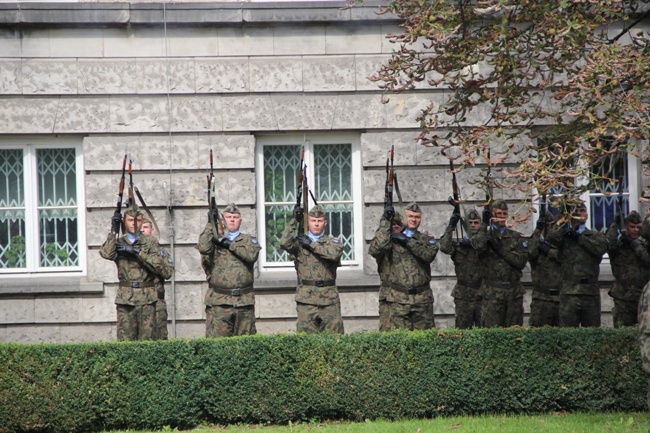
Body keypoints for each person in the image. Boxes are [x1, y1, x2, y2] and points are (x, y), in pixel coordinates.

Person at [99, 204, 173, 341]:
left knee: (148, 343)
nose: (134, 224)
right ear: (124, 222)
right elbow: (106, 253)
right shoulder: (119, 242)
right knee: (125, 343)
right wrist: (113, 231)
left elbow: (164, 269)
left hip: (147, 299)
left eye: (138, 220)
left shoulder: (150, 242)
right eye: (130, 220)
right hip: (126, 299)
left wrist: (137, 253)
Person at [369, 202, 438, 331]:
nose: (413, 220)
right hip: (398, 299)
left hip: (422, 299)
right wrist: (385, 222)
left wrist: (406, 240)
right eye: (410, 216)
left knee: (425, 341)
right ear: (403, 219)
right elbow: (375, 250)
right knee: (399, 340)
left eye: (417, 217)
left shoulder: (425, 239)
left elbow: (428, 255)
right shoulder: (390, 239)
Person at [197, 203, 261, 338]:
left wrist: (229, 244)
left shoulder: (249, 240)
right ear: (222, 220)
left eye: (235, 217)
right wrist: (210, 224)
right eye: (228, 217)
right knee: (218, 345)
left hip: (244, 301)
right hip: (220, 301)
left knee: (246, 345)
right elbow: (203, 248)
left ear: (240, 221)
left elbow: (251, 256)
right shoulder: (214, 241)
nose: (232, 219)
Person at [279, 204, 344, 334]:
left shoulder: (333, 242)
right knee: (306, 341)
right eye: (313, 221)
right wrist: (295, 221)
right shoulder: (299, 243)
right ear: (308, 222)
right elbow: (284, 243)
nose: (316, 224)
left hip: (329, 298)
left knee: (335, 339)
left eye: (319, 221)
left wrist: (311, 244)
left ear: (325, 223)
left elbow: (333, 254)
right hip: (306, 299)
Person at [547, 202, 607, 327]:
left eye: (582, 211)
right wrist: (563, 221)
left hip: (590, 291)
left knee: (592, 333)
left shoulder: (596, 236)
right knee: (568, 333)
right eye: (576, 211)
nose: (579, 213)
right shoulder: (565, 236)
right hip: (570, 290)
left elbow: (599, 250)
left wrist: (579, 237)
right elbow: (552, 237)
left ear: (587, 214)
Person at [471, 199, 528, 328]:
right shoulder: (485, 235)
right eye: (498, 214)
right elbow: (478, 245)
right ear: (492, 215)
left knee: (514, 334)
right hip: (492, 293)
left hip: (513, 293)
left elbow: (521, 262)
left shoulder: (516, 237)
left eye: (504, 213)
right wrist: (484, 224)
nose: (502, 217)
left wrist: (500, 249)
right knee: (492, 335)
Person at [439, 209, 482, 329]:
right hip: (463, 294)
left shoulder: (485, 244)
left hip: (482, 294)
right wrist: (451, 226)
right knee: (462, 332)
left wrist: (475, 242)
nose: (473, 225)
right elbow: (444, 247)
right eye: (470, 222)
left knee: (484, 331)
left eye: (476, 222)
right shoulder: (459, 245)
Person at [606, 211, 650, 327]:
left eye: (638, 227)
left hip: (643, 298)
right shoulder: (619, 245)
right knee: (622, 335)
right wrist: (615, 224)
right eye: (632, 227)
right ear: (626, 226)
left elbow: (647, 259)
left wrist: (634, 244)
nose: (635, 230)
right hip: (623, 298)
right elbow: (609, 244)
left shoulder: (644, 245)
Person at [140, 216, 174, 339]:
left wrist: (151, 259)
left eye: (146, 227)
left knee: (159, 338)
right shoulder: (132, 251)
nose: (143, 230)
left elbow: (168, 273)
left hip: (156, 302)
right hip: (137, 301)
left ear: (152, 230)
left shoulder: (161, 252)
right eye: (140, 227)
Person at [370, 213, 404, 331]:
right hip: (388, 295)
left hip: (405, 296)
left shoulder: (407, 240)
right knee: (387, 332)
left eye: (398, 224)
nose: (395, 227)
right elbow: (375, 249)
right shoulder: (381, 242)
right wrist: (385, 225)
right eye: (392, 225)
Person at [527, 211, 562, 327]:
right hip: (541, 298)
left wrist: (548, 250)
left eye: (551, 225)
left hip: (560, 298)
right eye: (546, 226)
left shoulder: (558, 241)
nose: (548, 228)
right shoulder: (536, 242)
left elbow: (565, 256)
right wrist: (538, 230)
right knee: (538, 336)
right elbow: (530, 252)